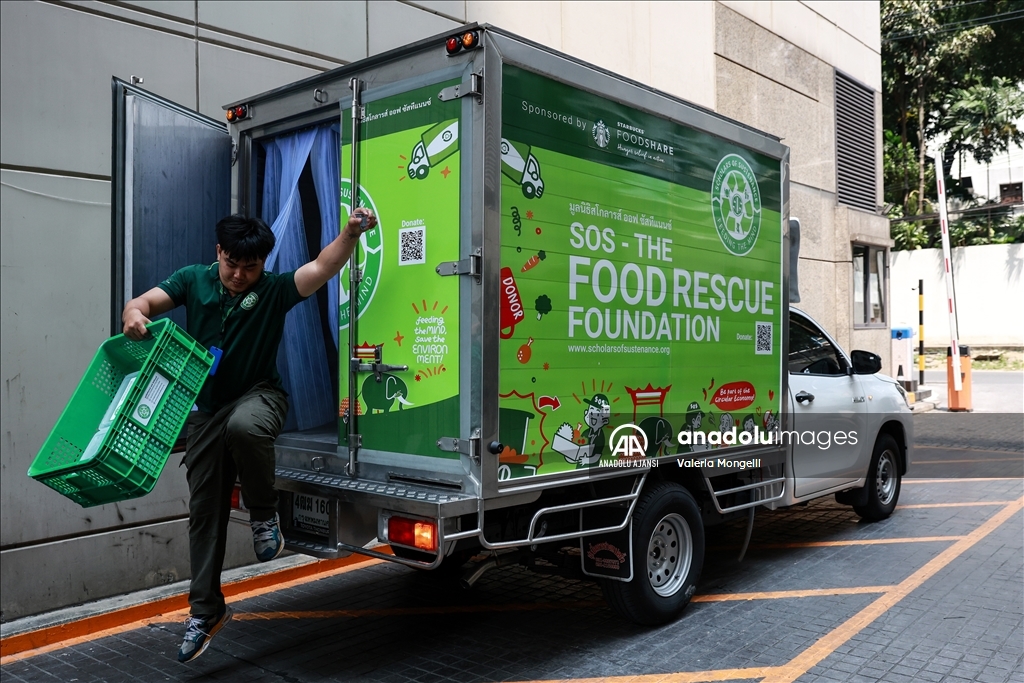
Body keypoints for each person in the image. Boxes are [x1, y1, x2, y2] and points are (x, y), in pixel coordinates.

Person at [121, 209, 377, 663]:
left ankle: (264, 515)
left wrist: (349, 234)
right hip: (205, 410)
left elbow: (323, 266)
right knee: (204, 512)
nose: (240, 275)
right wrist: (133, 315)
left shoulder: (275, 290)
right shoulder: (191, 280)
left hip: (260, 396)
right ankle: (206, 612)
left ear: (264, 263)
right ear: (218, 253)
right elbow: (143, 303)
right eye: (231, 265)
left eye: (251, 267)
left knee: (245, 427)